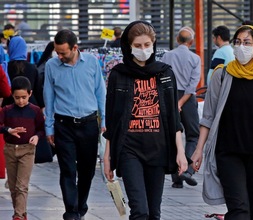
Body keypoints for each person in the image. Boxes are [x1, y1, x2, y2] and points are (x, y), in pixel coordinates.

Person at [191, 25, 253, 220]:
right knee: (239, 210)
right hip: (228, 153)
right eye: (237, 42)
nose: (241, 47)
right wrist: (198, 149)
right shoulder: (222, 75)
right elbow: (208, 116)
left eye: (247, 43)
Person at [103, 20, 188, 220]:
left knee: (153, 213)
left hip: (157, 149)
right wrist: (107, 156)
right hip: (128, 148)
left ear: (154, 44)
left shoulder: (165, 73)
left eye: (147, 45)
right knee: (139, 211)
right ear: (128, 47)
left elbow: (174, 117)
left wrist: (181, 152)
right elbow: (112, 118)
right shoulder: (118, 74)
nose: (143, 50)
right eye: (138, 46)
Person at [43, 29, 106, 220]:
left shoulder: (92, 63)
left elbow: (100, 93)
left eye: (63, 52)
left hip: (88, 124)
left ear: (75, 48)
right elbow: (49, 97)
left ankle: (81, 205)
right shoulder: (51, 66)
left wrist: (104, 120)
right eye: (57, 52)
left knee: (87, 171)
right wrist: (49, 127)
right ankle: (71, 211)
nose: (59, 56)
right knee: (68, 169)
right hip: (64, 125)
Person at [0, 76, 45, 220]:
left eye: (24, 97)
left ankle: (18, 216)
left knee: (22, 185)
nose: (21, 101)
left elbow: (41, 128)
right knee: (13, 187)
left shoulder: (35, 111)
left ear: (30, 94)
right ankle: (22, 213)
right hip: (10, 150)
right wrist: (8, 130)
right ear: (12, 95)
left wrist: (37, 136)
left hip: (28, 150)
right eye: (17, 97)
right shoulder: (6, 110)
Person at [161, 26, 201, 188]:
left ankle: (176, 179)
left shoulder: (166, 56)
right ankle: (188, 170)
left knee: (172, 136)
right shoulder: (195, 59)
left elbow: (161, 79)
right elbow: (192, 86)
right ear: (191, 42)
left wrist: (173, 102)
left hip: (169, 97)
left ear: (178, 40)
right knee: (193, 136)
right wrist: (181, 102)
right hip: (187, 99)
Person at [1, 35, 44, 109]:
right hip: (30, 107)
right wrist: (42, 106)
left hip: (9, 107)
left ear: (11, 48)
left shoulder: (5, 67)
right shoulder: (32, 67)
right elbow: (38, 90)